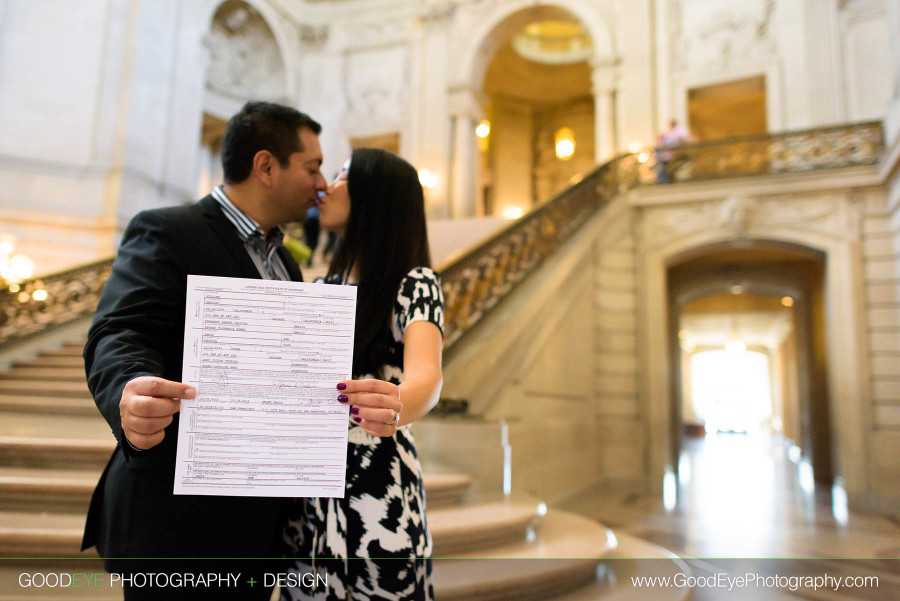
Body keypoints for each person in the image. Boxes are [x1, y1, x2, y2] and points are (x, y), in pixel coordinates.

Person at [82, 101, 327, 600]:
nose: (320, 183)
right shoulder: (168, 231)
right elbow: (121, 331)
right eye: (312, 167)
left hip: (256, 528)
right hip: (178, 524)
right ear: (266, 167)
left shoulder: (288, 264)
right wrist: (129, 390)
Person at [282, 149, 444, 601]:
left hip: (378, 486)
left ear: (377, 194)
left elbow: (427, 377)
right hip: (310, 485)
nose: (326, 186)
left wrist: (394, 405)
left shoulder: (414, 282)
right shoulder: (321, 289)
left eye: (343, 176)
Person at [655, 119, 691, 183]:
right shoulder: (671, 133)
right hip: (666, 154)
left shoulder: (679, 130)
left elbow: (684, 138)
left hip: (671, 153)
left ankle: (665, 180)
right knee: (663, 167)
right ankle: (664, 180)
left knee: (665, 167)